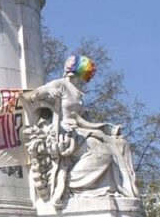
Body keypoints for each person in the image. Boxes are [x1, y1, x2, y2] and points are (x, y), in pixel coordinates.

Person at [22, 56, 138, 208]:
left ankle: (119, 188)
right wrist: (49, 94)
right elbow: (33, 96)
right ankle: (70, 186)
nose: (87, 78)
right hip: (65, 131)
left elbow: (82, 118)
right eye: (87, 73)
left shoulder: (78, 92)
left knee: (120, 144)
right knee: (102, 153)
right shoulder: (60, 84)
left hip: (78, 129)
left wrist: (107, 128)